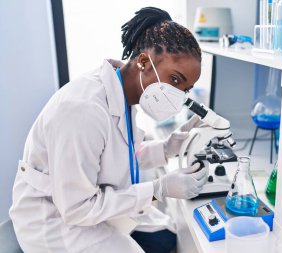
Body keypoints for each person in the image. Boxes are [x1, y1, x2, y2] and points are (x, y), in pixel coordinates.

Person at [9, 7, 207, 253]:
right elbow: (77, 208)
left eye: (185, 89)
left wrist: (166, 148)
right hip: (55, 222)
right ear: (144, 62)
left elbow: (116, 156)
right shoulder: (82, 110)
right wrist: (158, 189)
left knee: (166, 237)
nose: (178, 95)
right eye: (175, 80)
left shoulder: (126, 94)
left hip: (89, 206)